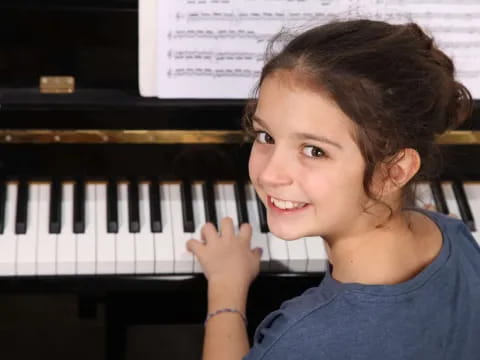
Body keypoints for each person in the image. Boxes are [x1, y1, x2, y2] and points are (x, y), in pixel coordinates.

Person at [186, 19, 480, 360]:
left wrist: (225, 288)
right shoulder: (453, 232)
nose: (269, 175)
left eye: (314, 150)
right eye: (266, 136)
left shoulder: (300, 338)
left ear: (394, 172)